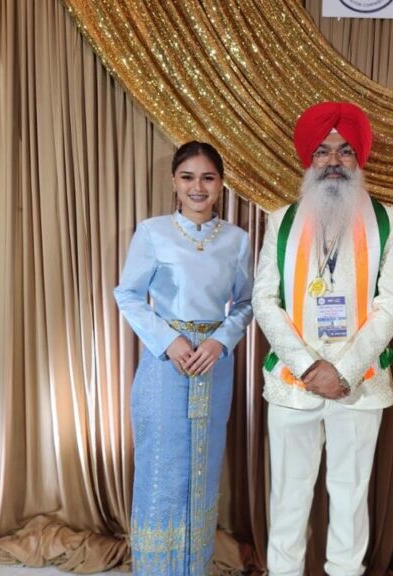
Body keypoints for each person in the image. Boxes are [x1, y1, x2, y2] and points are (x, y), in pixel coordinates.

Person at [252, 102, 393, 576]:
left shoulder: (389, 221)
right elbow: (264, 300)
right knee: (288, 496)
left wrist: (342, 370)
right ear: (309, 159)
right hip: (292, 383)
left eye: (345, 151)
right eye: (322, 151)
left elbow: (392, 304)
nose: (334, 161)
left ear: (359, 158)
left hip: (358, 385)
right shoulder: (281, 220)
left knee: (350, 495)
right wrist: (308, 366)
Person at [114, 141, 253, 575]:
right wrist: (169, 340)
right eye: (188, 177)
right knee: (162, 471)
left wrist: (220, 341)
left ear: (221, 184)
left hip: (213, 366)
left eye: (208, 178)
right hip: (164, 365)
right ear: (174, 182)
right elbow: (128, 294)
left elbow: (246, 303)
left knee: (202, 471)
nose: (198, 187)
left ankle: (195, 567)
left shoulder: (237, 240)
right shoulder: (152, 232)